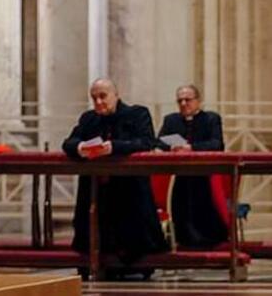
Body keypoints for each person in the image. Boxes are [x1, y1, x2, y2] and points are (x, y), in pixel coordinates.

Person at [62, 78, 165, 270]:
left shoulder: (137, 114)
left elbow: (146, 142)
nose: (98, 102)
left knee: (130, 237)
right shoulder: (89, 118)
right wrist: (81, 146)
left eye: (103, 96)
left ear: (116, 95)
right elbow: (68, 142)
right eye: (94, 98)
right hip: (97, 187)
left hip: (128, 188)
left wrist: (114, 147)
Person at [157, 85, 229, 248]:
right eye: (180, 100)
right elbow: (158, 141)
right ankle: (184, 239)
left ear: (198, 101)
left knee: (203, 206)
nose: (183, 104)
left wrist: (191, 147)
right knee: (181, 205)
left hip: (204, 173)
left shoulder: (211, 119)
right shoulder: (171, 120)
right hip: (180, 173)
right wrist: (170, 148)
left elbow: (217, 144)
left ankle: (207, 239)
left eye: (187, 100)